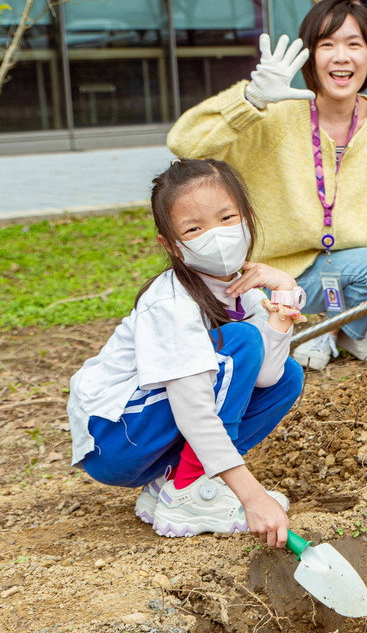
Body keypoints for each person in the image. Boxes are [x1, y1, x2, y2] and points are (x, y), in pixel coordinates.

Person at [168, 0, 367, 372]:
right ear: (310, 58)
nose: (341, 56)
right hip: (271, 277)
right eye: (327, 45)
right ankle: (325, 331)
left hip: (353, 270)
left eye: (354, 44)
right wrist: (248, 100)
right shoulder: (273, 118)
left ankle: (337, 332)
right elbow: (185, 143)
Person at [68, 159, 304, 543]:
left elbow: (268, 377)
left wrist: (284, 292)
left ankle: (173, 481)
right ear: (172, 245)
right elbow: (193, 407)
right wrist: (252, 496)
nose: (216, 235)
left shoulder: (245, 292)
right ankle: (192, 491)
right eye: (194, 228)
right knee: (241, 342)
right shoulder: (171, 302)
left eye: (227, 217)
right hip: (115, 436)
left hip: (147, 431)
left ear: (248, 216)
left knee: (289, 374)